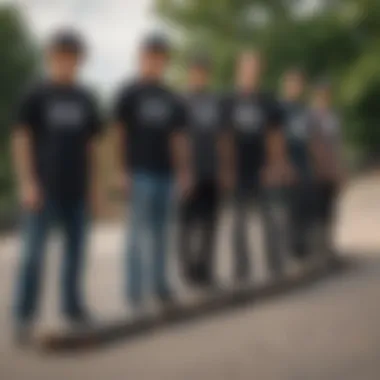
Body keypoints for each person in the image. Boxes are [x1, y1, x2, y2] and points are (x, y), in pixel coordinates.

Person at [12, 30, 102, 343]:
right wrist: (27, 183)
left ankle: (73, 308)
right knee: (33, 258)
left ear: (79, 61)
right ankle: (23, 319)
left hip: (76, 189)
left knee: (75, 255)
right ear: (51, 57)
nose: (66, 62)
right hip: (43, 190)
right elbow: (22, 139)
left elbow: (92, 145)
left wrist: (93, 187)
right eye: (61, 55)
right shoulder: (36, 94)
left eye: (72, 57)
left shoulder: (85, 97)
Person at [113, 34, 191, 313]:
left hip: (166, 174)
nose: (154, 62)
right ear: (140, 57)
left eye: (159, 57)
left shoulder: (171, 97)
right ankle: (134, 294)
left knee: (162, 234)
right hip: (140, 173)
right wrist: (122, 170)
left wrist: (183, 172)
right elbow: (119, 135)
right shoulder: (129, 93)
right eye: (149, 56)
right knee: (136, 235)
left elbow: (178, 138)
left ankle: (160, 287)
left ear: (165, 61)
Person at [224, 51, 292, 281]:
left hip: (263, 169)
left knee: (272, 219)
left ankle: (276, 268)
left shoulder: (267, 100)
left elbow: (275, 136)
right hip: (238, 170)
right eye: (247, 67)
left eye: (255, 68)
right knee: (238, 223)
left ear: (259, 71)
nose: (250, 72)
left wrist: (276, 166)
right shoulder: (229, 101)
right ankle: (241, 271)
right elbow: (224, 138)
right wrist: (227, 170)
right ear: (239, 69)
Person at [178, 53, 226, 287]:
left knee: (210, 225)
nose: (200, 75)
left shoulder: (214, 102)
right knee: (188, 226)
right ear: (190, 73)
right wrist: (183, 171)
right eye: (196, 71)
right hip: (190, 174)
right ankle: (189, 272)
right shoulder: (181, 101)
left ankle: (205, 270)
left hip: (211, 172)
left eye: (204, 71)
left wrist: (224, 169)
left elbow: (221, 138)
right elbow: (177, 139)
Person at [280, 68, 314, 261]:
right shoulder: (281, 108)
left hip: (303, 160)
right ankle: (291, 247)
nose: (295, 87)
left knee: (304, 204)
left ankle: (302, 245)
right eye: (292, 83)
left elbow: (308, 138)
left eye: (298, 84)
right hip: (289, 160)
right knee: (290, 207)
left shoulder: (302, 109)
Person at [309, 80, 344, 257]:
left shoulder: (332, 117)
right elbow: (312, 144)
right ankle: (318, 248)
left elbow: (337, 144)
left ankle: (328, 246)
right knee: (318, 210)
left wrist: (339, 169)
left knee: (330, 209)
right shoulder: (311, 117)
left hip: (331, 169)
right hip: (317, 171)